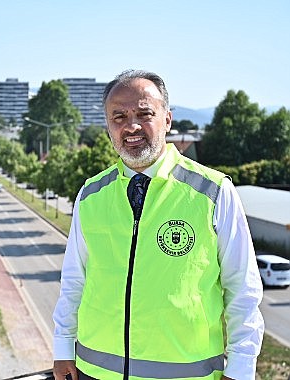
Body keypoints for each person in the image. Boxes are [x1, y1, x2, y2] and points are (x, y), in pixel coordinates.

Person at [52, 70, 264, 380]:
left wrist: (242, 368)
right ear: (108, 128)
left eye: (144, 113)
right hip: (94, 372)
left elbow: (242, 289)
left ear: (167, 119)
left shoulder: (213, 191)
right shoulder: (91, 194)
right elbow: (74, 280)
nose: (131, 126)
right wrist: (62, 348)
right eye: (119, 117)